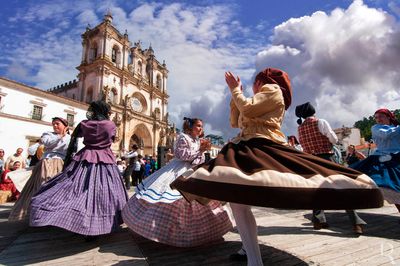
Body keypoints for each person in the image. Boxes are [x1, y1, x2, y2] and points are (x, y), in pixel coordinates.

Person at [171, 68, 382, 266]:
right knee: (237, 201)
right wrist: (236, 96)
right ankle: (250, 251)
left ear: (262, 81)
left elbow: (248, 108)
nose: (253, 86)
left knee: (246, 198)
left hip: (260, 144)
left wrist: (235, 90)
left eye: (255, 82)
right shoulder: (256, 96)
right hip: (246, 144)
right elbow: (236, 121)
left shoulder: (272, 90)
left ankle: (253, 258)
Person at [122, 117, 232, 247]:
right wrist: (200, 150)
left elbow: (198, 160)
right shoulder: (182, 137)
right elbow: (181, 155)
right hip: (177, 170)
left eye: (201, 126)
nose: (200, 128)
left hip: (193, 171)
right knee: (174, 199)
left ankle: (193, 232)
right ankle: (164, 230)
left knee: (195, 201)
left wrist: (201, 152)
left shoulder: (197, 140)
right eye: (198, 126)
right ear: (190, 127)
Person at [30, 101, 128, 238]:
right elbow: (111, 139)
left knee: (74, 187)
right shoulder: (111, 125)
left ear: (93, 110)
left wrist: (68, 162)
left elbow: (73, 142)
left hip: (85, 156)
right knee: (107, 190)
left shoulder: (84, 123)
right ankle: (102, 223)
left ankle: (70, 218)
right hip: (106, 158)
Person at [296, 102, 366, 234]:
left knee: (318, 190)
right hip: (327, 159)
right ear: (313, 111)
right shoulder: (320, 122)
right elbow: (333, 139)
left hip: (311, 161)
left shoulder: (300, 128)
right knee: (342, 188)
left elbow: (303, 144)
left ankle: (318, 219)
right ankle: (356, 222)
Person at [8, 117, 71, 222]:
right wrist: (60, 136)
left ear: (65, 125)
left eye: (57, 124)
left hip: (61, 163)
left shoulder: (69, 137)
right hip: (47, 162)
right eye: (53, 124)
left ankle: (54, 215)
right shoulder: (48, 134)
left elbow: (70, 150)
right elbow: (48, 143)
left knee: (58, 189)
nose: (55, 126)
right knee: (42, 186)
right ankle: (39, 214)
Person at [351, 108, 400, 213]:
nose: (378, 119)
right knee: (391, 186)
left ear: (388, 117)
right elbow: (386, 135)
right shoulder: (376, 128)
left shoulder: (396, 128)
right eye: (376, 117)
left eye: (381, 116)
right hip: (382, 159)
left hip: (397, 157)